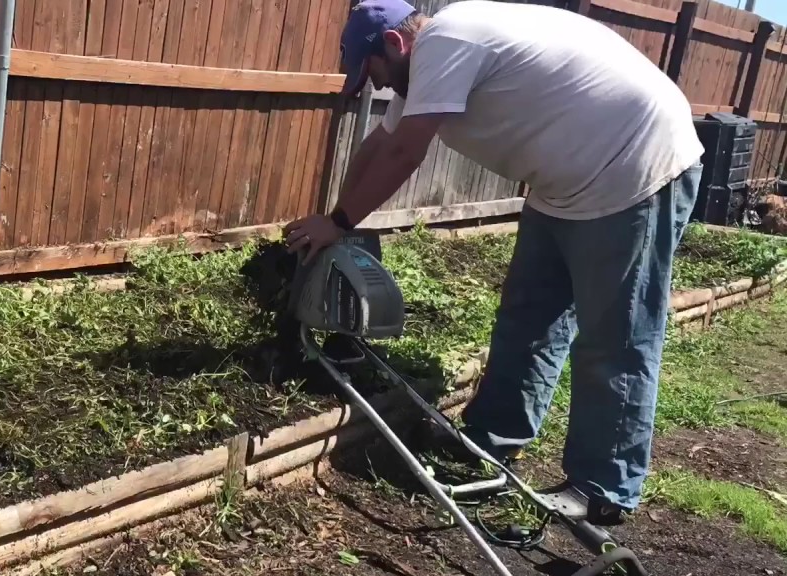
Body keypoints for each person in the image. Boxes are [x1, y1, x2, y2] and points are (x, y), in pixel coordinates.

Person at [286, 0, 704, 525]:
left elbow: (404, 156)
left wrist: (341, 222)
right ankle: (490, 440)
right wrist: (332, 220)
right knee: (528, 318)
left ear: (395, 45)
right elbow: (380, 144)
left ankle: (604, 489)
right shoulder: (431, 58)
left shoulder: (445, 44)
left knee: (615, 337)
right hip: (565, 181)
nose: (386, 91)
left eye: (378, 77)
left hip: (634, 167)